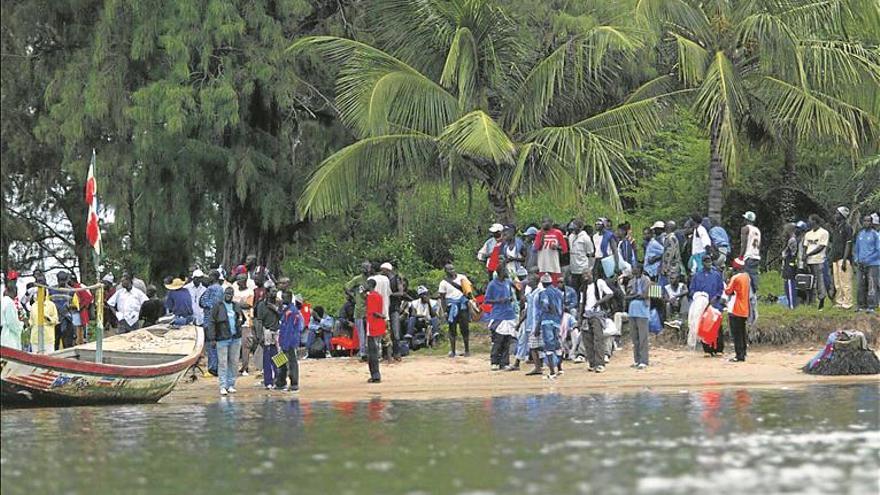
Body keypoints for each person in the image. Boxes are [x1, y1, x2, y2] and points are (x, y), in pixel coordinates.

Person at [207, 286, 245, 396]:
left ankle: (231, 384)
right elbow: (211, 322)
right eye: (227, 294)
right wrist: (212, 338)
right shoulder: (217, 306)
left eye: (230, 294)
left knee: (234, 362)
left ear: (233, 295)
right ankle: (223, 386)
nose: (228, 296)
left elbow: (242, 318)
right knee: (223, 363)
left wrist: (239, 322)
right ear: (224, 294)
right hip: (222, 338)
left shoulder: (236, 306)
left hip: (235, 338)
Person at [688, 256, 725, 351]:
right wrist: (699, 297)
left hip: (715, 303)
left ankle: (719, 349)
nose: (708, 263)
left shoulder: (716, 275)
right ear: (703, 263)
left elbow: (721, 289)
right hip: (702, 305)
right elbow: (692, 290)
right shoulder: (697, 275)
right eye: (706, 261)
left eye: (710, 261)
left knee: (717, 325)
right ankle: (707, 349)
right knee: (704, 326)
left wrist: (716, 297)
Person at [485, 268, 518, 370]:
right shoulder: (492, 284)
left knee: (507, 340)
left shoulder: (508, 282)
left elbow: (517, 289)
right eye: (505, 272)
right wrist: (499, 300)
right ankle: (494, 362)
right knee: (498, 340)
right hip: (498, 315)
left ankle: (504, 362)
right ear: (500, 273)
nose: (507, 273)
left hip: (509, 314)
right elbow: (487, 300)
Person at [580, 271, 613, 372]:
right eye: (584, 275)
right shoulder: (583, 287)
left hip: (597, 315)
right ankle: (592, 363)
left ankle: (600, 363)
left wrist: (598, 302)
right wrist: (579, 318)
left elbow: (610, 294)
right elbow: (581, 303)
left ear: (592, 274)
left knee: (598, 339)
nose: (586, 277)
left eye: (587, 274)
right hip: (586, 315)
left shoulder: (599, 282)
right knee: (587, 340)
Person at [438, 263, 473, 357]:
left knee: (465, 328)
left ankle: (467, 350)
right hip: (451, 307)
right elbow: (442, 298)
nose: (452, 271)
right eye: (449, 269)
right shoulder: (443, 283)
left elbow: (469, 290)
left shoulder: (462, 278)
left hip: (462, 305)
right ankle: (453, 351)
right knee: (452, 329)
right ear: (445, 271)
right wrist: (445, 311)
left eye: (453, 269)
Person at [535, 274, 563, 378]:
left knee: (549, 347)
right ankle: (560, 368)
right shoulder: (559, 293)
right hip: (557, 321)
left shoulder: (543, 293)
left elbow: (545, 307)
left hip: (547, 321)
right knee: (557, 345)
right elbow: (562, 307)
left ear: (542, 283)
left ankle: (552, 372)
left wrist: (538, 326)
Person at [725, 257, 752, 362]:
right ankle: (744, 352)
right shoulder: (747, 277)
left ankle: (739, 355)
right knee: (742, 331)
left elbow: (728, 291)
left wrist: (727, 280)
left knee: (736, 334)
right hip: (745, 308)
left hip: (735, 308)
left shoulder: (735, 278)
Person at [276, 290, 303, 391]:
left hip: (290, 340)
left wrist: (285, 344)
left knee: (292, 362)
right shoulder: (286, 309)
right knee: (281, 362)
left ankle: (294, 383)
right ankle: (280, 382)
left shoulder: (292, 311)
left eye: (285, 297)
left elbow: (290, 329)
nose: (283, 299)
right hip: (284, 339)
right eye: (282, 297)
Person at [199, 271, 225, 376]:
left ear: (214, 277)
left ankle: (212, 367)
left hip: (210, 319)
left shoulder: (211, 289)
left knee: (211, 344)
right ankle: (217, 366)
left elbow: (203, 302)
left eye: (210, 276)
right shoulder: (221, 289)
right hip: (218, 319)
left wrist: (210, 307)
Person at [345, 262, 373, 360]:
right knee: (361, 333)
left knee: (370, 332)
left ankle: (370, 351)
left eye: (368, 268)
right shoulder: (357, 279)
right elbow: (346, 287)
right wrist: (353, 296)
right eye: (365, 268)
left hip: (370, 309)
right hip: (360, 309)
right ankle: (362, 353)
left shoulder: (371, 279)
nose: (367, 269)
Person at [255, 284, 281, 388]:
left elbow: (282, 315)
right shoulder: (262, 305)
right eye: (272, 291)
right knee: (267, 357)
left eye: (275, 291)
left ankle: (279, 379)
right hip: (267, 331)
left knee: (279, 356)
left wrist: (275, 308)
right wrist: (259, 335)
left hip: (277, 331)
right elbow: (259, 321)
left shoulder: (278, 303)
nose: (274, 293)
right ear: (268, 292)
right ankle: (268, 381)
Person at [625, 264, 651, 369]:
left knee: (643, 337)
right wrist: (635, 295)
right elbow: (626, 296)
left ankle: (644, 360)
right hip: (632, 311)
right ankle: (637, 360)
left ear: (639, 270)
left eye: (634, 268)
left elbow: (644, 295)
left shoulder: (646, 280)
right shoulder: (631, 281)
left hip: (642, 311)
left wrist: (633, 296)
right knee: (635, 338)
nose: (632, 270)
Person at [853, 214, 880, 313]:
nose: (866, 223)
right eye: (865, 221)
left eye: (868, 221)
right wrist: (856, 259)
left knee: (871, 285)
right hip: (860, 264)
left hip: (873, 264)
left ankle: (871, 306)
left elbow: (878, 251)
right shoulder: (860, 234)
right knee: (860, 284)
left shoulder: (875, 235)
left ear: (872, 223)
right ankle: (861, 305)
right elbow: (856, 248)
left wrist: (868, 260)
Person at [803, 214, 830, 310]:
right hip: (809, 261)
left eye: (810, 220)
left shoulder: (824, 233)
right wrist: (804, 257)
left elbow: (821, 246)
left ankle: (821, 300)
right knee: (810, 281)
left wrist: (809, 254)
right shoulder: (808, 234)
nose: (809, 222)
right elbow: (805, 246)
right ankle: (810, 301)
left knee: (820, 281)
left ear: (815, 221)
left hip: (819, 260)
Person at [230, 274, 255, 374]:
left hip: (246, 321)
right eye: (238, 280)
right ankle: (234, 367)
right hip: (234, 321)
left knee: (246, 345)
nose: (239, 282)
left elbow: (248, 304)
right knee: (234, 345)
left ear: (245, 281)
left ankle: (245, 367)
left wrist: (236, 304)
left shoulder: (250, 291)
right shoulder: (234, 290)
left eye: (242, 280)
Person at [830, 207, 854, 309]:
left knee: (845, 282)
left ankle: (848, 303)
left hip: (843, 259)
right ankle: (840, 301)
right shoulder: (836, 227)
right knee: (837, 282)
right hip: (835, 258)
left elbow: (848, 244)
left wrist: (844, 260)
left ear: (842, 215)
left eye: (837, 213)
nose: (835, 215)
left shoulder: (847, 227)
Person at [380, 262, 405, 361]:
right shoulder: (383, 280)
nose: (382, 272)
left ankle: (397, 353)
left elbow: (401, 292)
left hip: (394, 308)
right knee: (385, 332)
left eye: (383, 270)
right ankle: (386, 354)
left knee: (395, 331)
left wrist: (389, 295)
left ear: (387, 270)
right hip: (385, 308)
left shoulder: (396, 279)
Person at [533, 218, 568, 283]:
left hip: (554, 266)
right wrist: (542, 236)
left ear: (551, 223)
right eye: (543, 222)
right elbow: (536, 248)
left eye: (547, 222)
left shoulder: (558, 233)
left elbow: (565, 249)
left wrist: (557, 247)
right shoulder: (539, 234)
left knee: (554, 286)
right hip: (542, 266)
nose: (545, 224)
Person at [364, 279, 386, 383]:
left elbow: (373, 312)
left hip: (372, 325)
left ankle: (375, 375)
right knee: (375, 350)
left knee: (372, 352)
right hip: (379, 325)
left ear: (369, 285)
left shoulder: (371, 296)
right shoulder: (379, 295)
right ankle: (375, 374)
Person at [28, 285, 59, 354]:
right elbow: (31, 320)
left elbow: (56, 320)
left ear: (45, 295)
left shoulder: (51, 305)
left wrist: (49, 319)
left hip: (48, 338)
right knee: (36, 358)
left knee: (49, 357)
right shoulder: (34, 306)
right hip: (35, 337)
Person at [568, 220, 594, 293]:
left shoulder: (585, 238)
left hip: (583, 268)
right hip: (574, 268)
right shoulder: (571, 237)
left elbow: (590, 253)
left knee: (584, 289)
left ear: (580, 227)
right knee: (574, 289)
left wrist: (590, 267)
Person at [740, 211, 762, 291]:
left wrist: (740, 257)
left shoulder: (745, 229)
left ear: (747, 219)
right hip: (756, 256)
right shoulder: (757, 230)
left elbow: (744, 244)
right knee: (754, 276)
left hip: (748, 256)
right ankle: (754, 294)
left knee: (746, 278)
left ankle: (749, 296)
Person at [69, 274, 93, 345]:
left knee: (81, 328)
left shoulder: (79, 287)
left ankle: (83, 340)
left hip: (80, 311)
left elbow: (89, 298)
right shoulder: (71, 288)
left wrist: (81, 306)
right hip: (73, 311)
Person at [1, 275, 23, 349]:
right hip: (9, 337)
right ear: (14, 292)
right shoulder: (9, 303)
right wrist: (21, 325)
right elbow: (12, 323)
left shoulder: (2, 301)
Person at [781, 223, 799, 309]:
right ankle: (790, 303)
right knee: (786, 283)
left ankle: (792, 305)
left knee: (790, 284)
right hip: (787, 263)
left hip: (790, 264)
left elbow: (792, 254)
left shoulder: (792, 240)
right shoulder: (790, 240)